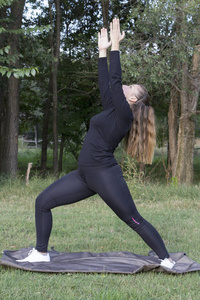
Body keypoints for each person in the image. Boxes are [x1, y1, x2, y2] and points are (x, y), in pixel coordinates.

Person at [17, 18, 175, 269]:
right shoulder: (114, 109)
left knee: (132, 219)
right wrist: (102, 51)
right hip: (84, 175)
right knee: (43, 202)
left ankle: (166, 259)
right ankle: (41, 252)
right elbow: (106, 85)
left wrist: (116, 48)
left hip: (104, 175)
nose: (126, 84)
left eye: (130, 85)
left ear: (133, 98)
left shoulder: (125, 115)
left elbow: (114, 80)